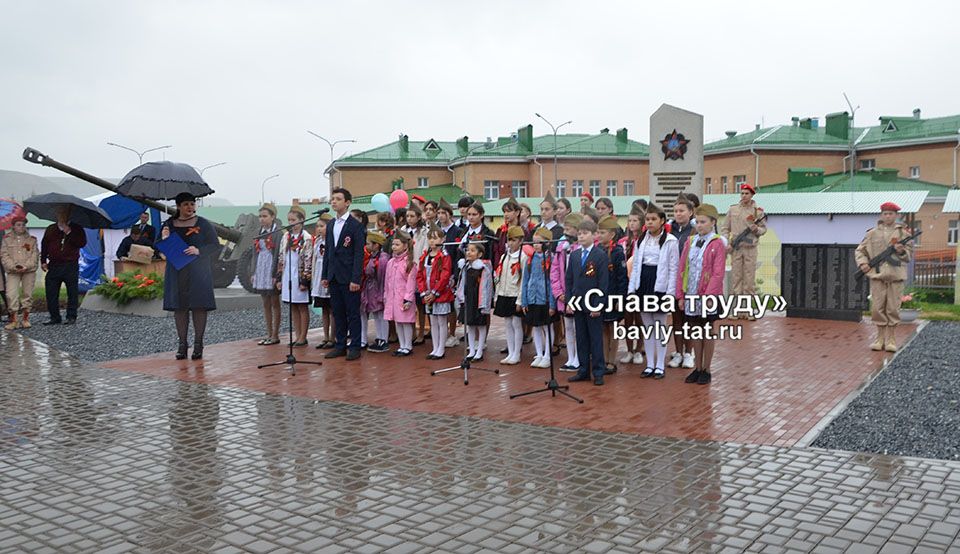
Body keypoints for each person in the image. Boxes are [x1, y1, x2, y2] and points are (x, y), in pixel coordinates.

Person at [160, 193, 218, 359]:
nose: (190, 207)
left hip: (198, 271)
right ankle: (182, 344)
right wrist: (164, 239)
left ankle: (198, 344)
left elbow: (214, 245)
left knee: (198, 306)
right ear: (178, 206)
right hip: (177, 271)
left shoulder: (203, 224)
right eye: (186, 204)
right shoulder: (169, 224)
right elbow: (161, 247)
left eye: (192, 204)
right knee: (180, 307)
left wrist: (199, 250)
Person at [676, 204, 726, 385]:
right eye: (697, 222)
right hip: (691, 293)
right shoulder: (690, 242)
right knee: (695, 329)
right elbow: (682, 268)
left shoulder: (717, 243)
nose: (699, 225)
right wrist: (680, 295)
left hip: (708, 296)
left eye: (703, 222)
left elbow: (718, 273)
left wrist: (708, 297)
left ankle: (707, 368)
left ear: (713, 222)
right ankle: (697, 367)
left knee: (708, 330)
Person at [628, 203, 679, 379]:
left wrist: (670, 294)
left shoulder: (671, 241)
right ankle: (649, 364)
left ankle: (659, 365)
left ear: (662, 220)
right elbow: (635, 266)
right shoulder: (641, 239)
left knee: (660, 326)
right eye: (647, 219)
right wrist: (632, 290)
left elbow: (673, 268)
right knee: (647, 327)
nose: (650, 222)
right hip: (644, 282)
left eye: (653, 219)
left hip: (660, 284)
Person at [855, 202, 912, 352]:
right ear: (881, 215)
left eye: (891, 213)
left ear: (896, 215)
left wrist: (900, 252)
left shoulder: (903, 234)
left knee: (893, 308)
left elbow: (908, 257)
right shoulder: (872, 233)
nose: (888, 216)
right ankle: (879, 338)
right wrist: (863, 264)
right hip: (878, 276)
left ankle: (891, 339)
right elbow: (860, 251)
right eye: (885, 213)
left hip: (895, 276)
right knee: (878, 308)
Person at [321, 188, 367, 361]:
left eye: (338, 199)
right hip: (334, 275)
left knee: (352, 312)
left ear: (347, 202)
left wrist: (356, 278)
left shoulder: (355, 226)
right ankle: (340, 344)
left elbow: (358, 254)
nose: (334, 202)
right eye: (332, 199)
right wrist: (325, 274)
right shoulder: (331, 224)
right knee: (337, 312)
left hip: (349, 277)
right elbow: (329, 252)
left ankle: (355, 345)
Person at [566, 219, 609, 386]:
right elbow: (569, 279)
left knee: (595, 338)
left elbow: (603, 282)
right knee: (581, 338)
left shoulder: (600, 255)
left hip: (593, 303)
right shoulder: (575, 255)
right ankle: (583, 370)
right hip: (578, 302)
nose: (581, 236)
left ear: (594, 235)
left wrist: (598, 304)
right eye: (579, 234)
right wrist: (570, 301)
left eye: (585, 233)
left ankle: (598, 371)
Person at [721, 183, 766, 320]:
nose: (744, 196)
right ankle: (736, 310)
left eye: (747, 193)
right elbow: (724, 228)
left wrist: (756, 230)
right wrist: (726, 242)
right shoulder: (733, 209)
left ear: (752, 195)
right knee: (736, 280)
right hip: (736, 248)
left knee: (749, 281)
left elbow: (763, 229)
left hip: (750, 249)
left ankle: (748, 310)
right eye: (742, 193)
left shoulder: (757, 212)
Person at [40, 206, 87, 325]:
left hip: (70, 265)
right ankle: (54, 316)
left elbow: (82, 243)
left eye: (63, 213)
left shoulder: (76, 228)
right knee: (51, 292)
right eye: (59, 213)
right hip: (54, 265)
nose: (60, 215)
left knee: (72, 292)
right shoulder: (51, 228)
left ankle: (71, 316)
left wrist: (68, 232)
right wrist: (43, 260)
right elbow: (44, 245)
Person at [667, 195, 697, 369]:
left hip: (690, 280)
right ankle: (678, 352)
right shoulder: (670, 231)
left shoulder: (694, 231)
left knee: (689, 319)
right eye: (676, 211)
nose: (678, 214)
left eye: (682, 211)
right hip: (673, 279)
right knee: (676, 319)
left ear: (690, 212)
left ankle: (688, 352)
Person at [521, 227, 557, 369]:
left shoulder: (551, 258)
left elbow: (552, 281)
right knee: (535, 326)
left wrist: (552, 304)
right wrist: (525, 300)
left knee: (547, 327)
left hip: (545, 298)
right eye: (534, 242)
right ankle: (539, 354)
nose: (536, 245)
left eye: (539, 242)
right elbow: (525, 280)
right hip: (532, 297)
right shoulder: (530, 259)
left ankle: (548, 354)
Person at [277, 206, 313, 347]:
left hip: (299, 274)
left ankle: (303, 336)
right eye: (289, 220)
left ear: (302, 220)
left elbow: (308, 259)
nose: (291, 223)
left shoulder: (307, 238)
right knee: (292, 306)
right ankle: (297, 335)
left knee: (302, 306)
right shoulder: (286, 237)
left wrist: (305, 279)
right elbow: (281, 257)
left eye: (294, 220)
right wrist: (279, 277)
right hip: (288, 274)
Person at [418, 228, 454, 360]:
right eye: (430, 238)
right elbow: (420, 275)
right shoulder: (425, 256)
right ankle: (435, 347)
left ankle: (441, 348)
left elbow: (445, 276)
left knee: (442, 321)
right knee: (432, 321)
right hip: (428, 294)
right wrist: (423, 292)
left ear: (443, 239)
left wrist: (435, 292)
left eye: (435, 238)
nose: (432, 241)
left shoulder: (444, 256)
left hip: (440, 294)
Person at [552, 213, 582, 371]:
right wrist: (558, 293)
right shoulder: (561, 247)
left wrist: (574, 295)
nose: (566, 232)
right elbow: (555, 270)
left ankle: (578, 358)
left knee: (578, 328)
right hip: (563, 295)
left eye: (569, 229)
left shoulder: (581, 248)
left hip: (577, 295)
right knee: (568, 327)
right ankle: (570, 358)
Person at [598, 215, 627, 374]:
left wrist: (620, 299)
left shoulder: (617, 252)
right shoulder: (597, 251)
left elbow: (622, 278)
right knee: (603, 328)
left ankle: (611, 360)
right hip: (601, 297)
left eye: (603, 232)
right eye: (599, 232)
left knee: (613, 328)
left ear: (612, 234)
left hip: (613, 295)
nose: (599, 235)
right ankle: (603, 358)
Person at [493, 225, 525, 365]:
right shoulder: (504, 256)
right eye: (509, 240)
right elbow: (499, 277)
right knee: (507, 324)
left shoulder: (522, 257)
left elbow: (523, 280)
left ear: (521, 241)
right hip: (504, 293)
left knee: (516, 324)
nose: (511, 243)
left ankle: (517, 353)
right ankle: (510, 351)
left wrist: (520, 299)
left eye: (514, 240)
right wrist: (497, 295)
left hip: (515, 294)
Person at [251, 203, 282, 346]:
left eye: (265, 216)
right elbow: (254, 254)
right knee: (265, 302)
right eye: (260, 216)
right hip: (260, 267)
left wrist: (276, 273)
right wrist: (253, 272)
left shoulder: (277, 233)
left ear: (273, 217)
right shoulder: (258, 232)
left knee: (274, 301)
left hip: (271, 266)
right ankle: (268, 332)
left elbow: (277, 254)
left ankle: (275, 334)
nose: (262, 219)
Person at [456, 242, 493, 362]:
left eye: (472, 251)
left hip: (479, 300)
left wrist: (485, 303)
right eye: (467, 250)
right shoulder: (466, 267)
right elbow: (462, 283)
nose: (468, 253)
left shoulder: (483, 269)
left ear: (480, 254)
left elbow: (487, 287)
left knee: (480, 325)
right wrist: (460, 296)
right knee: (470, 325)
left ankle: (480, 349)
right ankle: (471, 349)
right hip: (468, 299)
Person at [384, 231, 417, 356]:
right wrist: (386, 295)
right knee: (398, 321)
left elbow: (411, 283)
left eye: (397, 244)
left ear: (405, 246)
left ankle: (408, 345)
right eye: (393, 244)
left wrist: (408, 299)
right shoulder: (391, 262)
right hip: (393, 297)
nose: (394, 247)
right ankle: (401, 345)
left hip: (403, 297)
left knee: (406, 321)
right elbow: (387, 281)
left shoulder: (409, 263)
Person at [1, 216, 39, 329]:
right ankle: (13, 319)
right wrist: (13, 266)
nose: (21, 227)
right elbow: (4, 254)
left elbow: (35, 255)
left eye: (23, 225)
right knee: (11, 294)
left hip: (28, 270)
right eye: (18, 224)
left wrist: (26, 266)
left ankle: (25, 318)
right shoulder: (6, 239)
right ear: (13, 226)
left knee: (27, 293)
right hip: (13, 271)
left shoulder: (32, 239)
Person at [618, 210, 644, 366]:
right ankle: (629, 350)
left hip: (640, 284)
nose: (632, 223)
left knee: (639, 319)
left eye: (635, 220)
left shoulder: (644, 241)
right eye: (630, 220)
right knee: (628, 319)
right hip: (626, 283)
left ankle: (639, 350)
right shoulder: (623, 242)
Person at [402, 204, 430, 345]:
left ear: (419, 217)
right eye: (407, 216)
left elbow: (425, 250)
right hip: (405, 271)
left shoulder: (424, 232)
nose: (409, 218)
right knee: (407, 301)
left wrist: (418, 265)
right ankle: (411, 331)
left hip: (418, 269)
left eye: (412, 216)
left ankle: (421, 332)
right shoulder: (403, 231)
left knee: (420, 303)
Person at [437, 198, 463, 349]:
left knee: (451, 305)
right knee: (441, 304)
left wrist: (454, 274)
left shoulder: (457, 231)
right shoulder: (436, 231)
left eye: (443, 213)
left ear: (449, 214)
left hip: (452, 271)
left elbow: (457, 254)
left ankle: (452, 334)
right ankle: (442, 332)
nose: (440, 216)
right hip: (438, 273)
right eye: (439, 213)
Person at [361, 230, 390, 353]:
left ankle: (383, 338)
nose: (366, 246)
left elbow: (382, 278)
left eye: (369, 243)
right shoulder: (373, 257)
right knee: (377, 314)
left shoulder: (382, 259)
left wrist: (382, 293)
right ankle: (379, 337)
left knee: (381, 315)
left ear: (376, 245)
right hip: (371, 288)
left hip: (378, 288)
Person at [311, 213, 334, 349]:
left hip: (328, 275)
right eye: (317, 226)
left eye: (322, 226)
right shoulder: (318, 242)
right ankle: (325, 336)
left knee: (332, 310)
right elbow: (315, 260)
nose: (319, 229)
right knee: (324, 309)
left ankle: (333, 337)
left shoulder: (332, 241)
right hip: (319, 276)